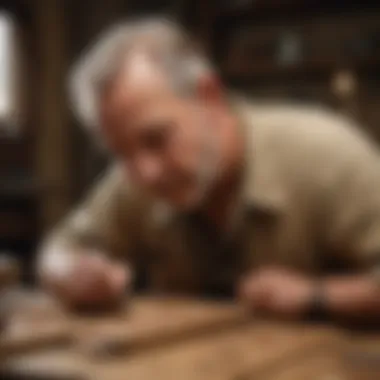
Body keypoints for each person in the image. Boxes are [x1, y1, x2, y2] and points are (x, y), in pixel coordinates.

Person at [38, 18, 380, 321]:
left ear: (209, 96)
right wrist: (71, 275)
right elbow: (58, 251)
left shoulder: (326, 157)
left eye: (157, 140)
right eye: (121, 154)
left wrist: (316, 297)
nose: (145, 175)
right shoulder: (133, 180)